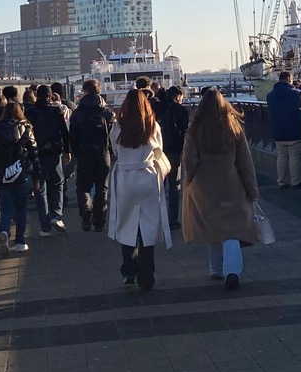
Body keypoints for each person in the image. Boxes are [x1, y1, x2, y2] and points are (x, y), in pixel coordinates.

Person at [181, 88, 258, 291]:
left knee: (213, 226)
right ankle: (232, 271)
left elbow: (189, 160)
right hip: (231, 184)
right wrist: (252, 189)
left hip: (205, 186)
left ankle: (215, 268)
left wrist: (189, 180)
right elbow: (245, 162)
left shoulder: (195, 129)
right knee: (232, 230)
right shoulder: (233, 127)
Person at [107, 89, 171, 290]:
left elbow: (115, 150)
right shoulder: (153, 126)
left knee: (127, 225)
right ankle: (147, 274)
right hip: (148, 177)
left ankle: (129, 268)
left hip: (126, 178)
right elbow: (159, 150)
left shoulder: (118, 127)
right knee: (148, 228)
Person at [0, 102, 40, 254]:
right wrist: (37, 174)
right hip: (22, 172)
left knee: (6, 208)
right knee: (21, 208)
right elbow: (34, 152)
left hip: (3, 174)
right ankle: (20, 242)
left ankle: (4, 231)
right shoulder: (26, 127)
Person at [69, 79, 114, 232]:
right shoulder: (107, 113)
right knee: (102, 188)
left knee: (83, 186)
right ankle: (99, 221)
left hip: (84, 154)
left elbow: (72, 136)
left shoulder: (78, 113)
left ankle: (86, 208)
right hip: (103, 154)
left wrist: (75, 152)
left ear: (84, 91)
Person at [28, 85, 72, 236]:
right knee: (58, 183)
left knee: (40, 189)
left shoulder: (30, 112)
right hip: (54, 151)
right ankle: (56, 215)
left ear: (36, 96)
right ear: (50, 96)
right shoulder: (55, 111)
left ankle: (45, 227)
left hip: (36, 153)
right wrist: (67, 150)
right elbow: (64, 132)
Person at [266, 70, 301, 189]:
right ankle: (295, 182)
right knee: (294, 158)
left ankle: (281, 181)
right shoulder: (297, 93)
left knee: (282, 157)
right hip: (295, 131)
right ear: (290, 79)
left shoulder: (270, 95)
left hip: (278, 131)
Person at [157, 85, 189, 229]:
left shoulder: (158, 108)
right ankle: (172, 220)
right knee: (174, 185)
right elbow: (186, 131)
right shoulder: (180, 110)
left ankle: (158, 216)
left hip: (158, 152)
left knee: (159, 185)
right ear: (178, 96)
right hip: (174, 151)